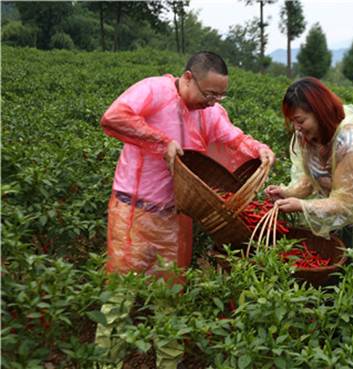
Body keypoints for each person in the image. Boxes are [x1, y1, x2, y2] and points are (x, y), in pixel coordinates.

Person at [95, 51, 274, 369]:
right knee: (119, 298)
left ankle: (168, 364)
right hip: (133, 212)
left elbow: (231, 137)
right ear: (188, 78)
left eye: (221, 95)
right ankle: (105, 362)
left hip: (178, 216)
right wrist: (160, 142)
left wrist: (257, 148)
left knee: (171, 299)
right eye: (210, 93)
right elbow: (114, 116)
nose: (214, 101)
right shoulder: (153, 90)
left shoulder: (212, 111)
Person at [265, 77, 353, 263]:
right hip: (333, 218)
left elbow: (346, 203)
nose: (296, 127)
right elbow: (310, 179)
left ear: (319, 112)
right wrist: (287, 193)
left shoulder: (351, 143)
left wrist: (302, 205)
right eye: (293, 121)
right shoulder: (307, 137)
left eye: (300, 120)